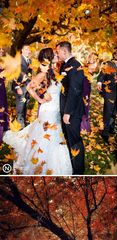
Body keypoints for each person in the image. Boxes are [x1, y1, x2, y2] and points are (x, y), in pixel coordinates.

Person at [3, 47, 72, 175]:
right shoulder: (43, 74)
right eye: (55, 54)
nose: (57, 55)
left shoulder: (55, 72)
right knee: (46, 136)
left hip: (56, 109)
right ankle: (40, 162)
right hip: (48, 110)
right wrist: (40, 99)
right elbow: (29, 87)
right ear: (50, 58)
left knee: (56, 135)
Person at [56, 40, 85, 175]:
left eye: (58, 51)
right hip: (66, 108)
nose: (57, 54)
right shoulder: (65, 65)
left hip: (72, 111)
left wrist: (68, 112)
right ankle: (72, 165)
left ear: (64, 51)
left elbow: (75, 90)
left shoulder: (75, 65)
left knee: (75, 140)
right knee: (69, 139)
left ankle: (79, 171)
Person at [97, 52, 117, 142]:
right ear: (115, 55)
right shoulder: (108, 64)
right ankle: (105, 132)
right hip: (109, 91)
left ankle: (111, 129)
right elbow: (101, 75)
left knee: (114, 112)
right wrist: (99, 81)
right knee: (108, 111)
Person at [12, 45, 32, 128]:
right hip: (20, 87)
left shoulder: (29, 61)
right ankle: (20, 126)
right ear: (22, 50)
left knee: (25, 105)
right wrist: (17, 87)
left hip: (28, 87)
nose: (28, 51)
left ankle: (23, 123)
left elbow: (29, 74)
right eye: (26, 49)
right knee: (20, 107)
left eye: (29, 49)